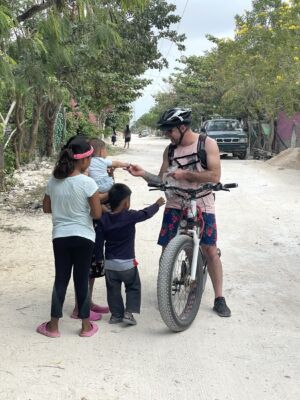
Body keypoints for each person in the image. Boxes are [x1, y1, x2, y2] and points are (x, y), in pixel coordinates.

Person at [128, 107, 231, 317]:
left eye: (169, 130)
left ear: (182, 127)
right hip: (175, 204)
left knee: (210, 250)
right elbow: (162, 179)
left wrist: (186, 175)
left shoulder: (207, 144)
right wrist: (142, 174)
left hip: (202, 204)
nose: (167, 134)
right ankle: (166, 289)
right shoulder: (170, 150)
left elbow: (215, 176)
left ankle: (219, 297)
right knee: (166, 249)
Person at [37, 135, 102, 338]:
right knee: (81, 279)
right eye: (90, 158)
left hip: (60, 237)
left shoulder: (53, 182)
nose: (90, 162)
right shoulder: (87, 183)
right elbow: (97, 214)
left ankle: (53, 326)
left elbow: (47, 209)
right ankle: (85, 326)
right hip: (84, 237)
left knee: (61, 280)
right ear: (82, 160)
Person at [71, 137, 130, 320]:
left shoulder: (89, 172)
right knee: (87, 265)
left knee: (94, 264)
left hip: (96, 225)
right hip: (88, 227)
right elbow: (92, 200)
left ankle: (87, 301)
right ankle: (79, 308)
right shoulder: (82, 177)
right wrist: (109, 196)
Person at [100, 183, 165, 325]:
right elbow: (145, 213)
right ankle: (128, 314)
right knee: (133, 286)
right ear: (125, 203)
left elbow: (99, 240)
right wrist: (157, 205)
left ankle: (116, 315)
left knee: (113, 291)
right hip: (127, 264)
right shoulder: (129, 216)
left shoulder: (103, 219)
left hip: (110, 265)